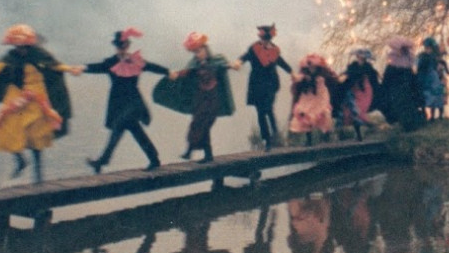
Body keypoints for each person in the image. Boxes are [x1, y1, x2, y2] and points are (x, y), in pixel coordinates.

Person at [0, 24, 77, 183]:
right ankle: (20, 160)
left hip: (37, 100)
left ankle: (38, 177)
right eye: (17, 46)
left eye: (23, 46)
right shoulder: (9, 58)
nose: (20, 50)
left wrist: (70, 69)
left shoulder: (40, 55)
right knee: (5, 128)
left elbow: (56, 66)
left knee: (36, 137)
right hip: (17, 99)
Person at [79, 28, 168, 173]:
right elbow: (97, 67)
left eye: (124, 46)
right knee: (132, 130)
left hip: (133, 102)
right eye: (119, 46)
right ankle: (153, 158)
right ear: (116, 47)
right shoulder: (111, 62)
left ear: (128, 46)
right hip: (118, 103)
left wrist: (168, 71)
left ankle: (102, 161)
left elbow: (151, 67)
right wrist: (82, 68)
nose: (121, 49)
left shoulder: (136, 61)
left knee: (119, 127)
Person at [152, 32, 234, 163]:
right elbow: (186, 73)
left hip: (213, 99)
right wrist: (175, 75)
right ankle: (202, 153)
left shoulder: (216, 61)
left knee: (205, 125)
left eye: (199, 50)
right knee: (196, 123)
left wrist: (232, 65)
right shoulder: (194, 64)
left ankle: (193, 151)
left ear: (205, 49)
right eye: (195, 52)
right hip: (200, 99)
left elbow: (224, 65)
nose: (198, 54)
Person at [233, 24, 292, 151]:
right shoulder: (254, 48)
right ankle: (267, 140)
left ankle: (275, 133)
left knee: (268, 109)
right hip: (257, 84)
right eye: (261, 38)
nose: (262, 41)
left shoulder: (275, 50)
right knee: (260, 113)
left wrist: (292, 72)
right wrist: (238, 62)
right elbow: (245, 56)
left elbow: (281, 62)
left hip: (271, 83)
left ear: (269, 38)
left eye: (264, 39)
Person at [288, 53, 339, 146]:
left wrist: (334, 75)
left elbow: (332, 79)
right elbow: (297, 78)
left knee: (323, 114)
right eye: (310, 67)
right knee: (306, 116)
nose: (312, 69)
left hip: (320, 98)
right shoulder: (304, 76)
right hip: (308, 98)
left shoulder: (322, 75)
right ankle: (309, 140)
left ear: (317, 67)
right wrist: (294, 77)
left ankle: (326, 135)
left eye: (314, 67)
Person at [380, 36, 425, 131]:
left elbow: (388, 76)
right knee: (403, 107)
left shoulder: (397, 61)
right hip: (401, 89)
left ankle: (408, 125)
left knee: (404, 107)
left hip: (401, 90)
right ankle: (407, 125)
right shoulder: (404, 60)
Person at [338, 47, 381, 140]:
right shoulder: (352, 67)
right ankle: (359, 134)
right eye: (358, 56)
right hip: (355, 91)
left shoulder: (369, 69)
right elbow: (348, 78)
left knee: (358, 110)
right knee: (351, 111)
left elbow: (374, 82)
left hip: (365, 92)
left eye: (361, 57)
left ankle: (369, 126)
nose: (359, 58)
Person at [416, 36, 447, 121]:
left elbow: (437, 66)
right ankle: (427, 114)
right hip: (425, 77)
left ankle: (437, 115)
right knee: (427, 94)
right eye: (426, 47)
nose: (427, 49)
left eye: (429, 47)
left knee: (436, 94)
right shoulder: (422, 56)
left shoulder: (433, 57)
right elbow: (418, 66)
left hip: (432, 77)